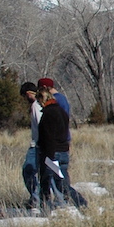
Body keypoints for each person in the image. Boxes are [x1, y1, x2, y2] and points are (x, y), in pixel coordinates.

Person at [36, 86, 87, 214]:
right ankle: (81, 205)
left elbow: (49, 137)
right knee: (61, 182)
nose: (39, 105)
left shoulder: (48, 114)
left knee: (49, 183)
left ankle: (81, 204)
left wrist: (48, 157)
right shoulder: (61, 111)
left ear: (43, 99)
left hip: (52, 155)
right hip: (63, 152)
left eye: (39, 101)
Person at [20, 81, 43, 210]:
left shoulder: (35, 105)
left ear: (29, 94)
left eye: (24, 96)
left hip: (37, 145)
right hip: (41, 144)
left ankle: (36, 198)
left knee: (28, 171)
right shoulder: (40, 104)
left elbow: (41, 124)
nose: (25, 100)